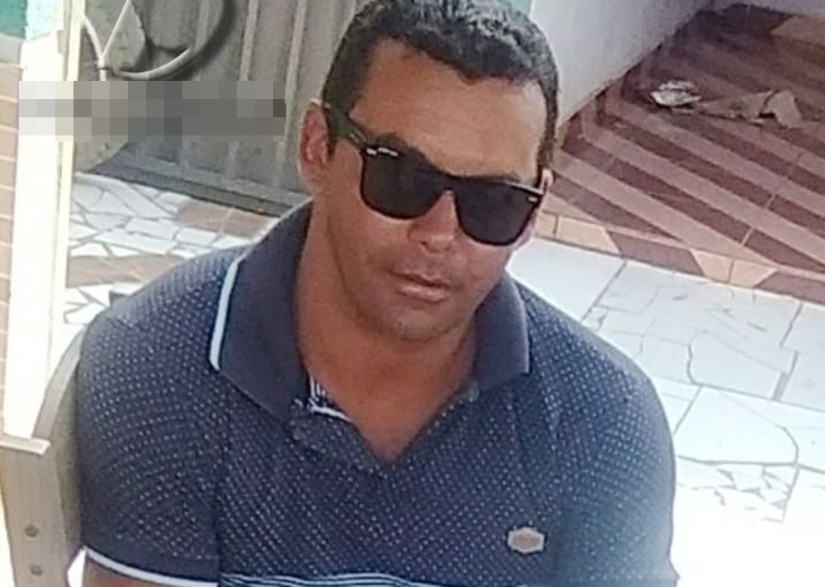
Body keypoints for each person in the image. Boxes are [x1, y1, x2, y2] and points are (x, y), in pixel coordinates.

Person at [77, 1, 678, 586]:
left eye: (493, 202)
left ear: (534, 210)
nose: (439, 234)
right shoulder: (163, 365)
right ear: (317, 147)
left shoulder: (601, 421)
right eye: (402, 177)